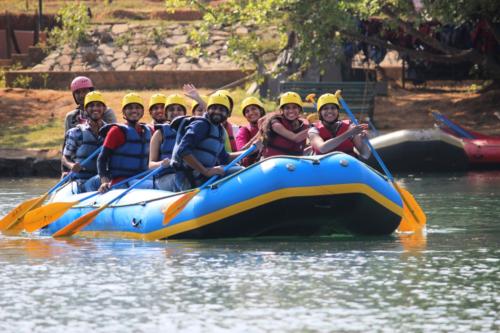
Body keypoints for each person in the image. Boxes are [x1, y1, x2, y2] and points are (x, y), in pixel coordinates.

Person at [171, 93, 253, 190]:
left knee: (241, 170)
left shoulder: (219, 130)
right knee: (239, 172)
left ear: (228, 114)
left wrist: (251, 150)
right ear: (207, 110)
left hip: (201, 175)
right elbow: (183, 150)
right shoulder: (201, 125)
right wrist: (206, 171)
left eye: (222, 109)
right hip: (188, 178)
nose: (217, 111)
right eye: (214, 108)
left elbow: (225, 157)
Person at [97, 93, 153, 192]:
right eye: (130, 108)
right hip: (121, 182)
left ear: (143, 111)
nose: (134, 110)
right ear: (123, 112)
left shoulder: (147, 130)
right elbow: (102, 159)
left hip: (142, 178)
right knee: (155, 185)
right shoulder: (116, 131)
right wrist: (104, 181)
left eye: (137, 107)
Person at [61, 91, 106, 193]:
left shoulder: (111, 132)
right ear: (85, 109)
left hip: (103, 180)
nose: (95, 108)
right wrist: (71, 165)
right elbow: (65, 158)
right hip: (81, 182)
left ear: (104, 109)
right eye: (91, 106)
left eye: (98, 105)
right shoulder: (76, 132)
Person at [308, 93, 371, 159]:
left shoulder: (349, 127)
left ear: (338, 111)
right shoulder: (313, 130)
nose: (329, 111)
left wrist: (364, 141)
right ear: (320, 113)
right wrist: (348, 133)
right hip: (324, 167)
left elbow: (366, 155)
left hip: (347, 167)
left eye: (333, 108)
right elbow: (322, 148)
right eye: (325, 108)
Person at [261, 92, 309, 158]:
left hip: (292, 163)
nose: (291, 111)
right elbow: (295, 138)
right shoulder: (275, 123)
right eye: (287, 108)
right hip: (273, 161)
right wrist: (314, 128)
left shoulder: (302, 124)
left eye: (294, 107)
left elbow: (298, 151)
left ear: (299, 109)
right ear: (282, 110)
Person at [149, 109, 177, 192]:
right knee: (179, 180)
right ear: (166, 114)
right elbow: (151, 165)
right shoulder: (159, 133)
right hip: (164, 178)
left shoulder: (188, 132)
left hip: (183, 175)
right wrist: (162, 163)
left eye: (179, 110)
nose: (175, 112)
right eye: (171, 110)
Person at [236, 96, 266, 166]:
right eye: (247, 111)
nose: (251, 113)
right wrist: (258, 139)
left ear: (260, 111)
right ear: (245, 116)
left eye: (253, 109)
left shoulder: (272, 125)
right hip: (251, 168)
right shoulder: (243, 131)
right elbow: (241, 152)